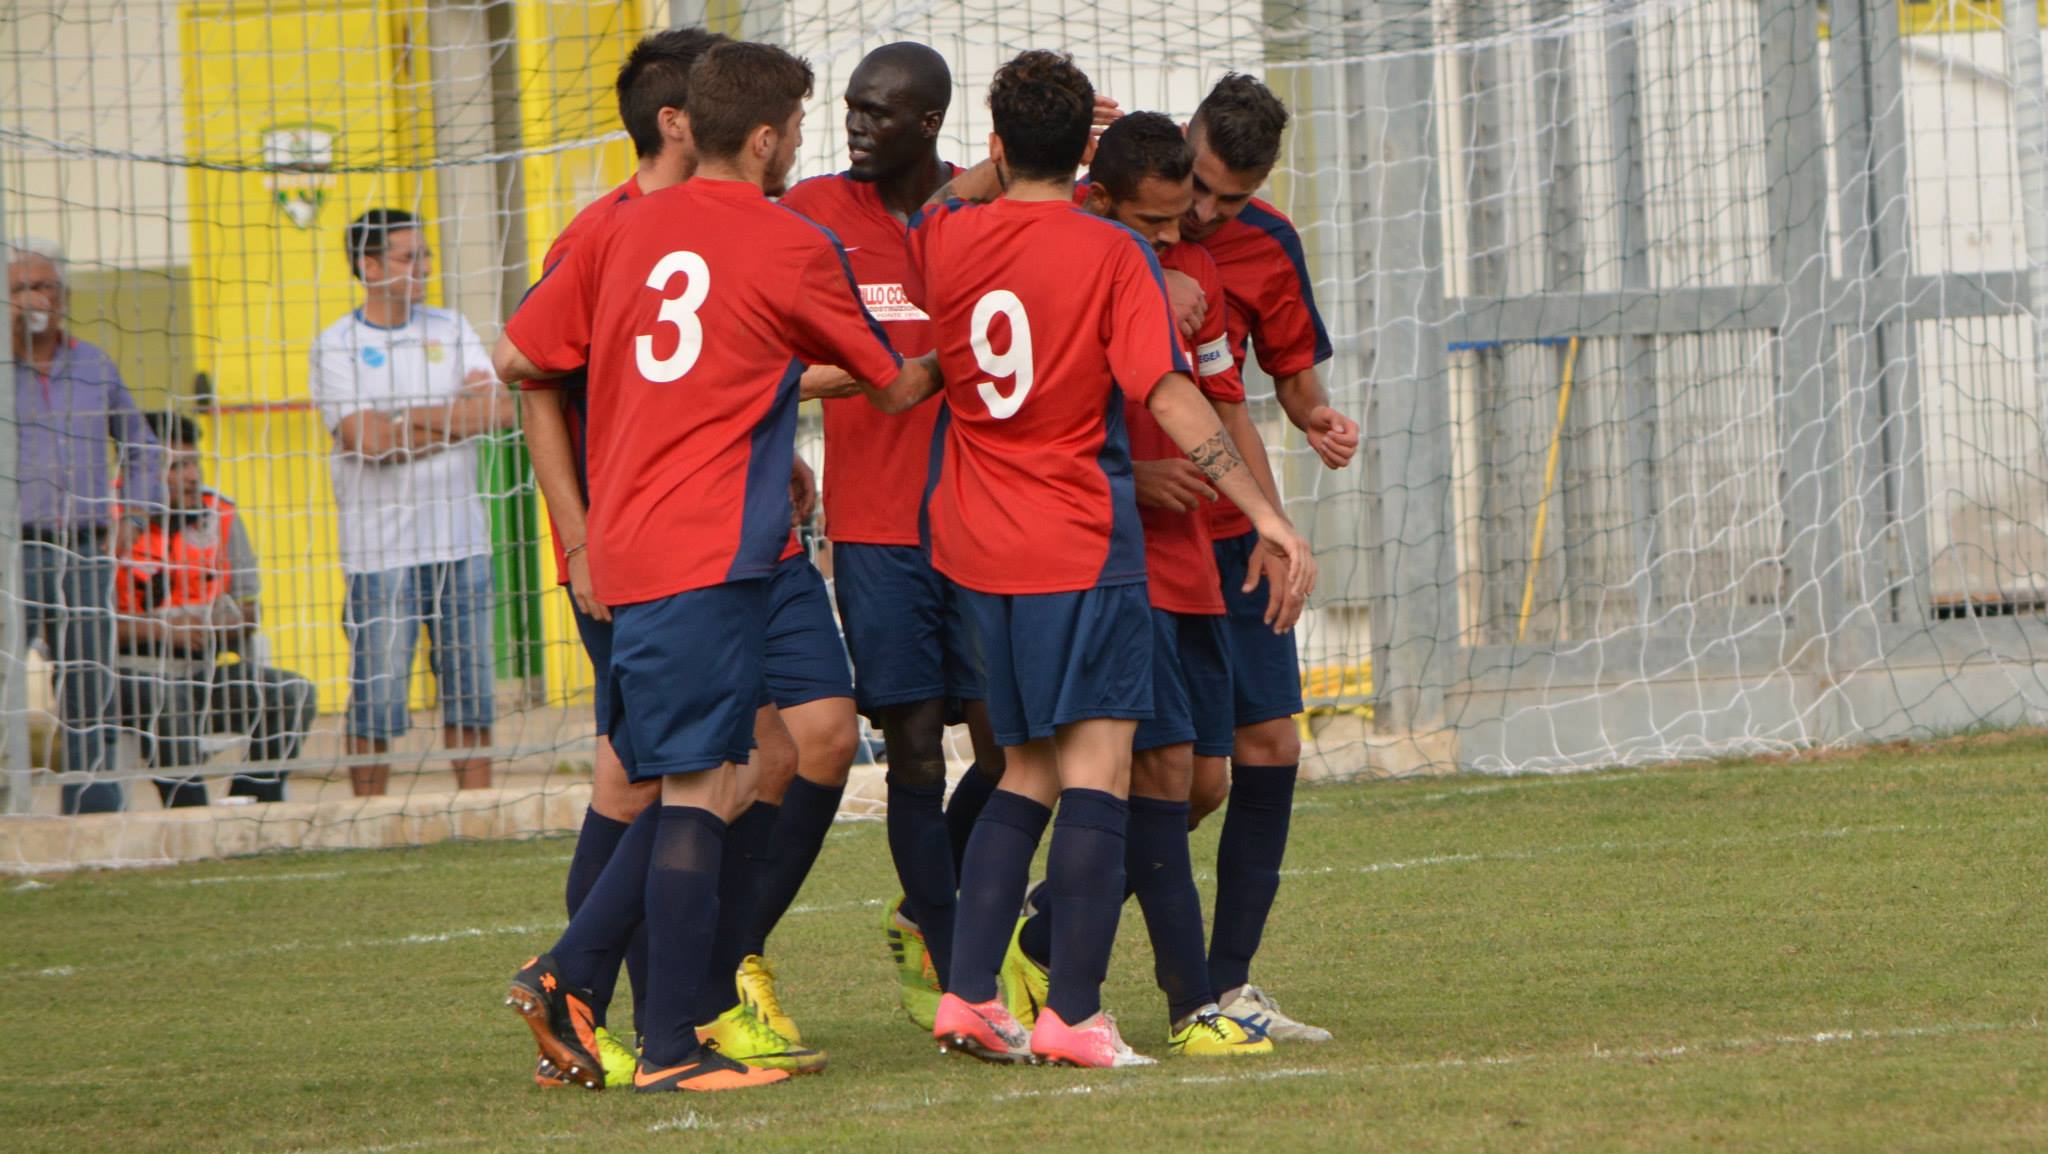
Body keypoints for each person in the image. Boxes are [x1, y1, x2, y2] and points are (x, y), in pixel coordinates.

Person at [495, 40, 941, 1095]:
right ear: (766, 136)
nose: (801, 143)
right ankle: (650, 1032)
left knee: (732, 770)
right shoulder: (787, 241)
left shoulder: (619, 231)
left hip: (650, 543)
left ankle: (597, 982)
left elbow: (521, 355)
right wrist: (959, 348)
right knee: (693, 783)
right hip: (704, 547)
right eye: (796, 126)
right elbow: (890, 383)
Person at [890, 50, 1313, 1069]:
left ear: (994, 144)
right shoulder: (1109, 256)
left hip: (974, 545)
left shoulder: (947, 236)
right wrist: (1262, 509)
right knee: (1095, 769)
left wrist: (991, 170)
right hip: (1078, 539)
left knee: (1022, 767)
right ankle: (1073, 1011)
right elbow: (1170, 396)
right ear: (1084, 152)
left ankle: (967, 994)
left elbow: (935, 207)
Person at [999, 111, 1284, 1057]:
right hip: (1110, 558)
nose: (1184, 227)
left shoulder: (1196, 270)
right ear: (1101, 194)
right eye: (1162, 216)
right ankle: (1191, 1004)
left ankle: (1039, 939)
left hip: (1194, 558)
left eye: (1193, 212)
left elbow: (1215, 399)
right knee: (1131, 774)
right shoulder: (1069, 255)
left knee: (1204, 779)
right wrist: (1133, 478)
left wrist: (1268, 523)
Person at [779, 41, 1008, 1030]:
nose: (855, 126)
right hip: (875, 530)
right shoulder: (809, 214)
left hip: (987, 520)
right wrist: (887, 368)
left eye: (878, 113)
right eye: (850, 109)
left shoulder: (980, 207)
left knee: (1012, 745)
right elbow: (767, 355)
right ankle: (957, 965)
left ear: (926, 123)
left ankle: (927, 910)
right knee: (913, 745)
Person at [1179, 73, 1360, 1044]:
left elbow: (1282, 382)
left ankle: (1227, 982)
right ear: (1185, 139)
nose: (1206, 211)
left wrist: (1319, 418)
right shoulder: (1113, 209)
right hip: (1133, 533)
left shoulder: (1268, 246)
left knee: (1270, 748)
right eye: (1199, 185)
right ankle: (1035, 931)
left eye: (1230, 198)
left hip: (1232, 527)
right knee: (1188, 776)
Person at [309, 208, 515, 796]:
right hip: (380, 554)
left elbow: (499, 411)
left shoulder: (449, 327)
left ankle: (479, 812)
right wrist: (453, 417)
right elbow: (365, 442)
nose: (423, 267)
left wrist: (406, 418)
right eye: (408, 257)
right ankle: (367, 815)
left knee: (471, 693)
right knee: (376, 697)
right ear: (368, 267)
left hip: (461, 543)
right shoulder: (336, 345)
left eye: (425, 255)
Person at [7, 236, 164, 814]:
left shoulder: (95, 364)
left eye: (44, 285)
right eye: (20, 289)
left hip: (84, 550)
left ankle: (93, 812)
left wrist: (137, 513)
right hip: (11, 554)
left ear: (64, 296)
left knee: (89, 688)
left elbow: (143, 447)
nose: (33, 298)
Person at [111, 412, 315, 806]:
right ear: (137, 472)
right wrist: (166, 631)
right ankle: (189, 807)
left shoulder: (219, 513)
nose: (192, 477)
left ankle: (255, 802)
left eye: (195, 463)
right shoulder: (105, 517)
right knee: (168, 698)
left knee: (293, 693)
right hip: (127, 677)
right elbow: (86, 624)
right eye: (177, 466)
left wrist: (215, 625)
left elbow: (248, 608)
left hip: (202, 672)